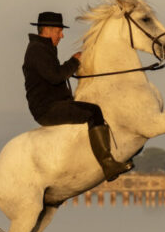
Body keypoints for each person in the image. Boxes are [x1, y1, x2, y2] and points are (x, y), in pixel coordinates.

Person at [23, 11, 134, 181]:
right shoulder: (37, 50)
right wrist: (74, 61)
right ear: (47, 29)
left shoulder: (44, 48)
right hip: (47, 109)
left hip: (53, 105)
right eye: (59, 31)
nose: (62, 35)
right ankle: (107, 165)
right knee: (93, 112)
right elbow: (55, 76)